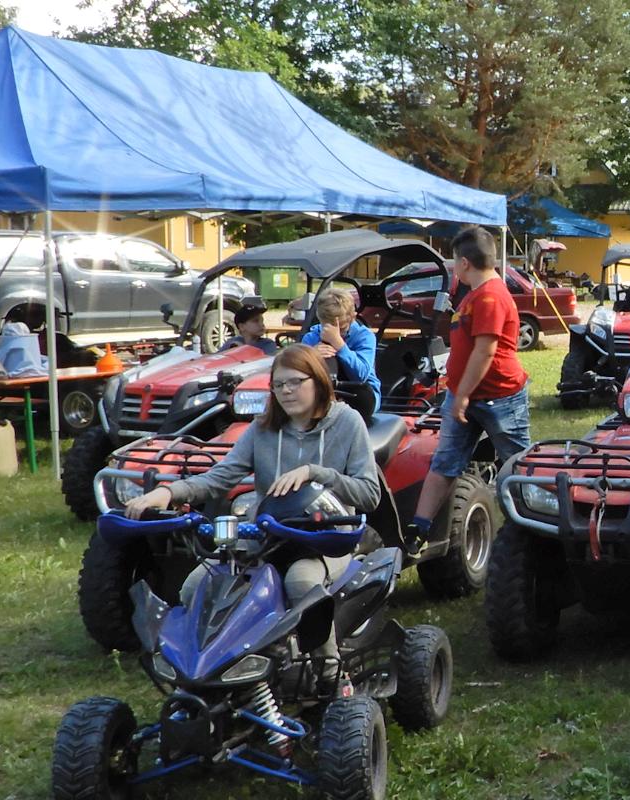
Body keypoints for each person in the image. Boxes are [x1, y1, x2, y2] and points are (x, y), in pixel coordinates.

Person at [123, 344, 383, 680]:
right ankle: (213, 673)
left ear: (318, 381)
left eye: (295, 382)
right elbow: (219, 477)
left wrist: (316, 473)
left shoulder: (347, 423)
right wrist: (167, 491)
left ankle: (328, 670)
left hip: (324, 537)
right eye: (278, 384)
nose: (286, 391)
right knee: (195, 587)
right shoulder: (262, 428)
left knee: (301, 582)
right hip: (264, 534)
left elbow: (370, 494)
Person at [411, 226, 533, 534]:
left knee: (517, 465)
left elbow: (484, 352)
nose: (454, 267)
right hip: (463, 393)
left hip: (499, 396)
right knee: (445, 462)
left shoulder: (491, 297)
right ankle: (419, 528)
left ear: (465, 262)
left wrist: (463, 394)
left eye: (454, 261)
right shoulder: (474, 295)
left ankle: (531, 526)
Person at [301, 286, 377, 387]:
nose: (334, 333)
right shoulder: (311, 338)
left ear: (353, 317)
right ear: (319, 318)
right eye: (328, 328)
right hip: (323, 389)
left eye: (341, 329)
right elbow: (298, 373)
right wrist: (312, 356)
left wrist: (340, 345)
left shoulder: (364, 336)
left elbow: (361, 376)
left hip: (360, 391)